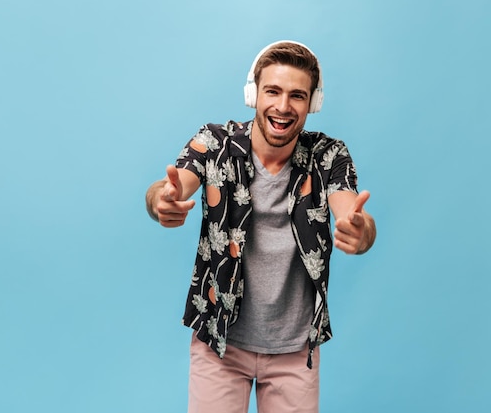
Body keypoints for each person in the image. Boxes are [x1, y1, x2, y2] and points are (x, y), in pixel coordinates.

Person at [145, 40, 376, 413]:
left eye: (297, 96)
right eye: (273, 91)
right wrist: (161, 200)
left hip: (294, 351)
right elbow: (173, 185)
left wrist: (360, 231)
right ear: (253, 94)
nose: (283, 107)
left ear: (312, 103)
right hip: (220, 340)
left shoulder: (328, 155)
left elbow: (351, 212)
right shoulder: (214, 142)